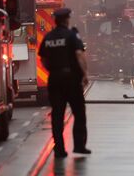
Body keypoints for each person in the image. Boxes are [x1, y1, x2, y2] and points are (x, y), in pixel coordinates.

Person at [38, 8, 91, 158]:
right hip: (72, 79)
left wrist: (53, 70)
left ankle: (59, 149)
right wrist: (85, 74)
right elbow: (79, 54)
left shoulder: (48, 37)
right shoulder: (71, 35)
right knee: (79, 113)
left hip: (54, 79)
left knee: (57, 115)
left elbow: (43, 59)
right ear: (67, 19)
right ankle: (79, 146)